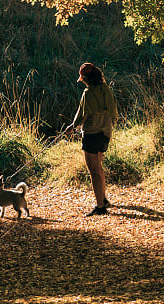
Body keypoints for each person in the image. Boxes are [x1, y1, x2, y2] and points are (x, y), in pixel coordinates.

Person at [64, 62, 118, 216]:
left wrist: (72, 127)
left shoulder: (88, 94)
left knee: (93, 170)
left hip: (92, 134)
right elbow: (113, 112)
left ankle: (100, 206)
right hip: (105, 133)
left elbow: (82, 115)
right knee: (99, 167)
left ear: (86, 79)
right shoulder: (106, 90)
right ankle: (104, 199)